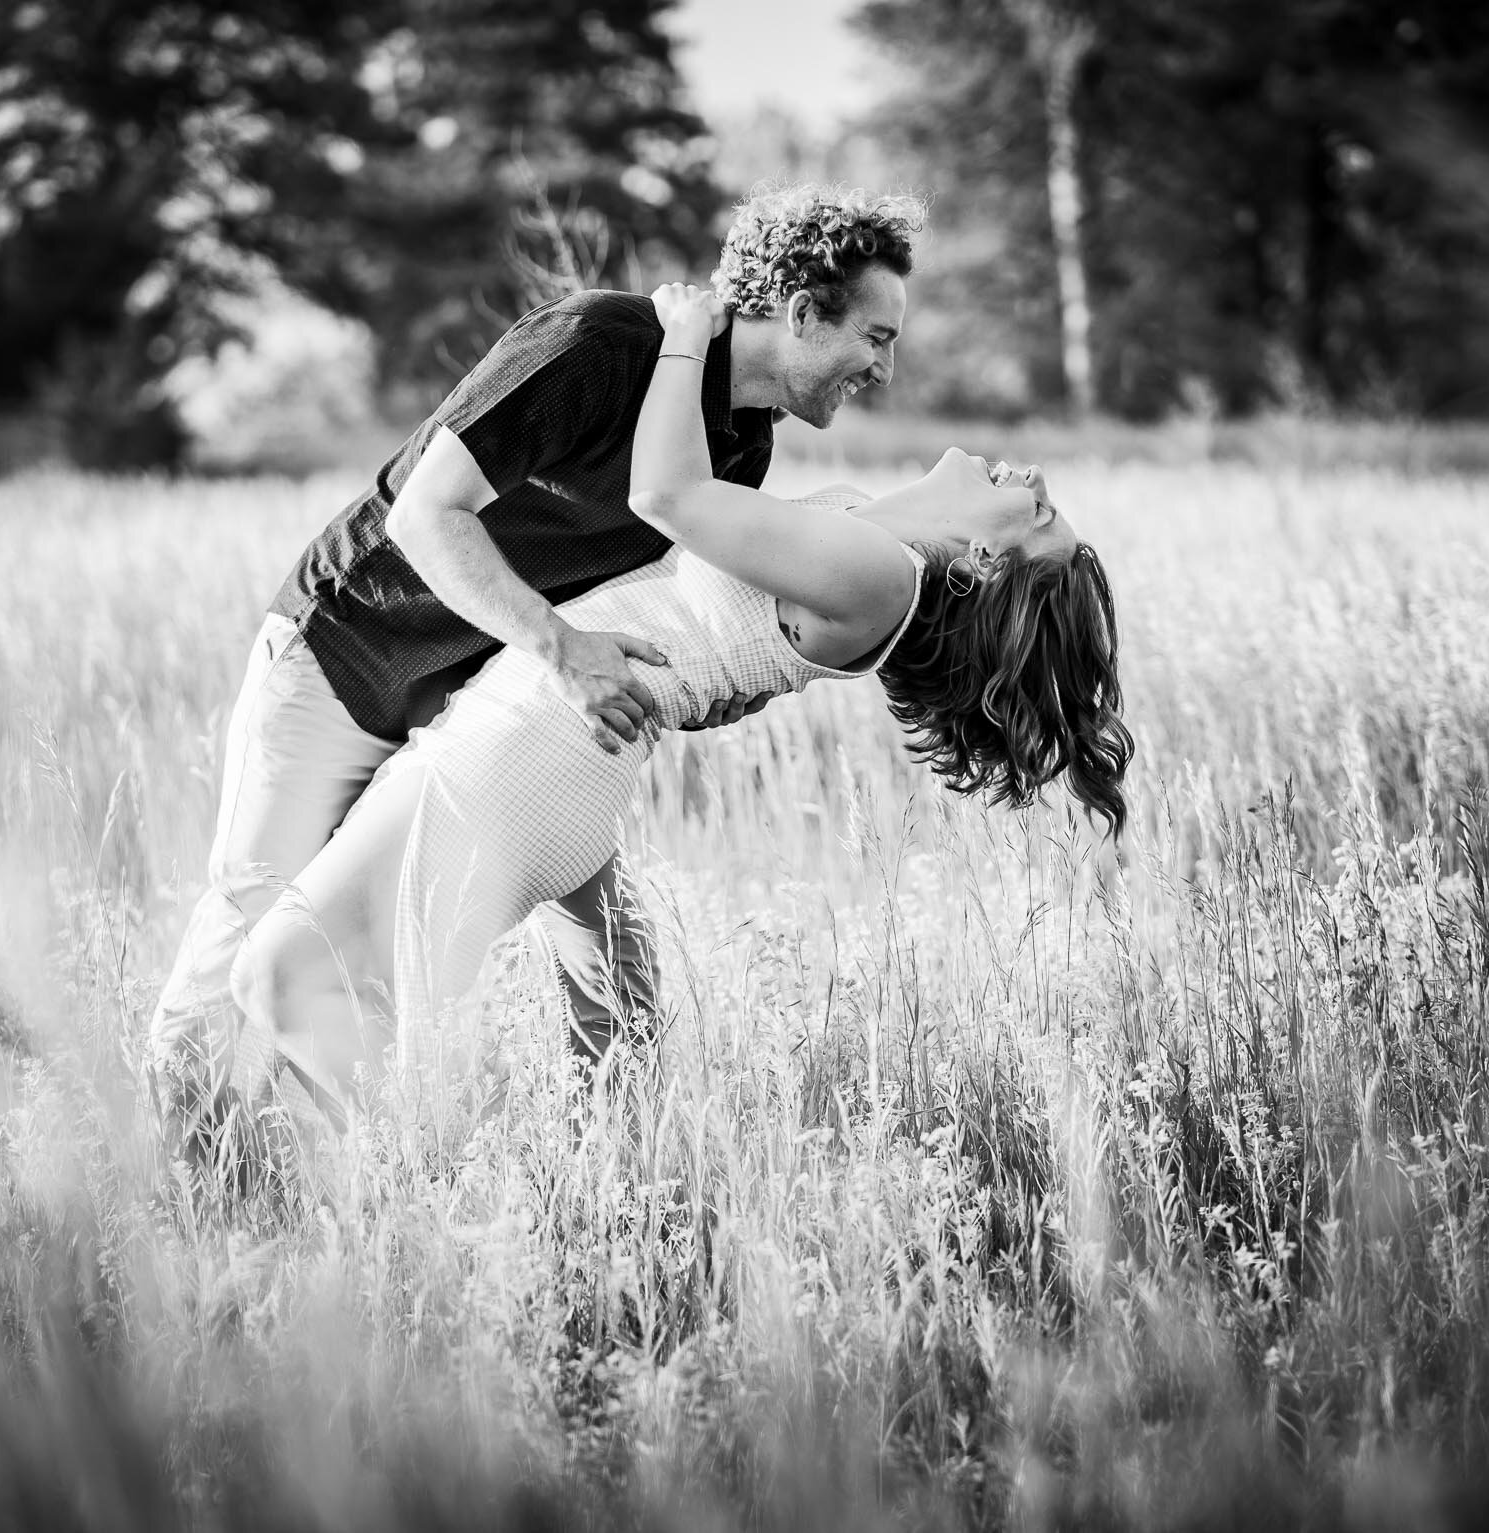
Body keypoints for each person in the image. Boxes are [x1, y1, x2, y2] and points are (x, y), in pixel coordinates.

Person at [231, 283, 1133, 1121]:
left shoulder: (876, 576)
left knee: (284, 971)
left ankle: (401, 1184)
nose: (1041, 489)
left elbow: (667, 494)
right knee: (560, 1006)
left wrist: (686, 336)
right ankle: (584, 1188)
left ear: (985, 564)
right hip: (568, 738)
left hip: (542, 742)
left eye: (1046, 522)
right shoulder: (875, 550)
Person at [149, 187, 925, 1148]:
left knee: (616, 969)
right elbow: (423, 517)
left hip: (500, 704)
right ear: (804, 312)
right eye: (877, 338)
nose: (885, 369)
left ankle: (601, 1184)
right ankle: (176, 1176)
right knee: (252, 923)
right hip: (354, 657)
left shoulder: (738, 441)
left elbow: (652, 604)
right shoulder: (595, 344)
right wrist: (564, 654)